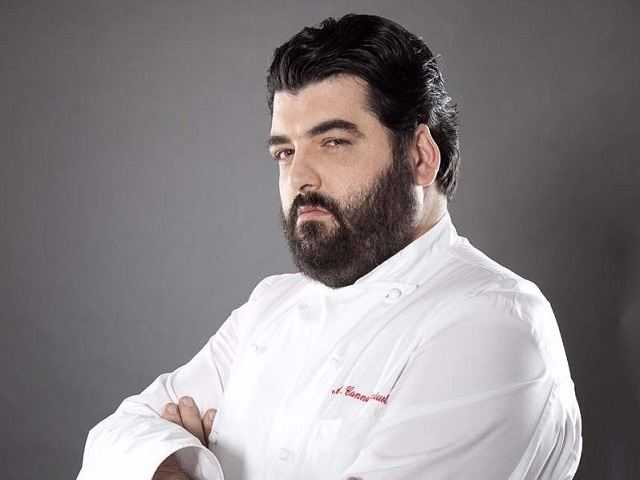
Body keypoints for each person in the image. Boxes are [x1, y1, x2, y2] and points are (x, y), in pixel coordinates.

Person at [76, 13, 582, 480]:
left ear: (421, 156)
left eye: (333, 141)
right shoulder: (271, 306)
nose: (299, 176)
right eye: (284, 151)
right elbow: (114, 439)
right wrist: (164, 465)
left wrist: (190, 465)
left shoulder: (494, 323)